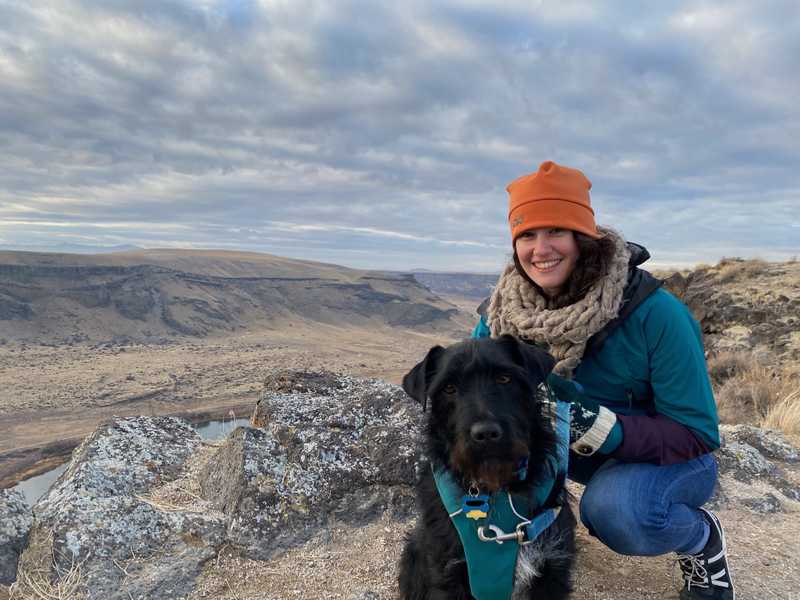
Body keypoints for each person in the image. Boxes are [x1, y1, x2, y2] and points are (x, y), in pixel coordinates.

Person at [471, 160, 733, 599]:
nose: (541, 249)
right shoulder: (500, 315)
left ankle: (701, 540)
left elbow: (697, 432)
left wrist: (601, 427)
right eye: (527, 235)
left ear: (583, 237)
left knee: (619, 512)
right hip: (568, 451)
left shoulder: (655, 313)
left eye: (556, 230)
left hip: (668, 457)